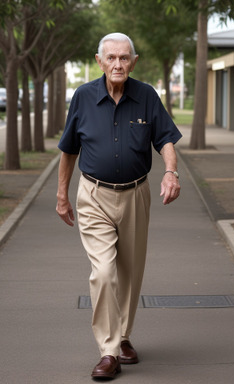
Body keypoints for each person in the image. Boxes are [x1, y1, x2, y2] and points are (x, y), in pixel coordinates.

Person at [56, 32, 182, 380]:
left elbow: (166, 138)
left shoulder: (146, 96)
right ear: (99, 61)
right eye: (111, 58)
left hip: (136, 194)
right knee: (104, 272)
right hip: (93, 195)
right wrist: (62, 194)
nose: (117, 64)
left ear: (134, 61)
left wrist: (171, 172)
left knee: (130, 272)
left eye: (124, 58)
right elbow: (69, 149)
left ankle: (124, 336)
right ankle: (109, 350)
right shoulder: (82, 97)